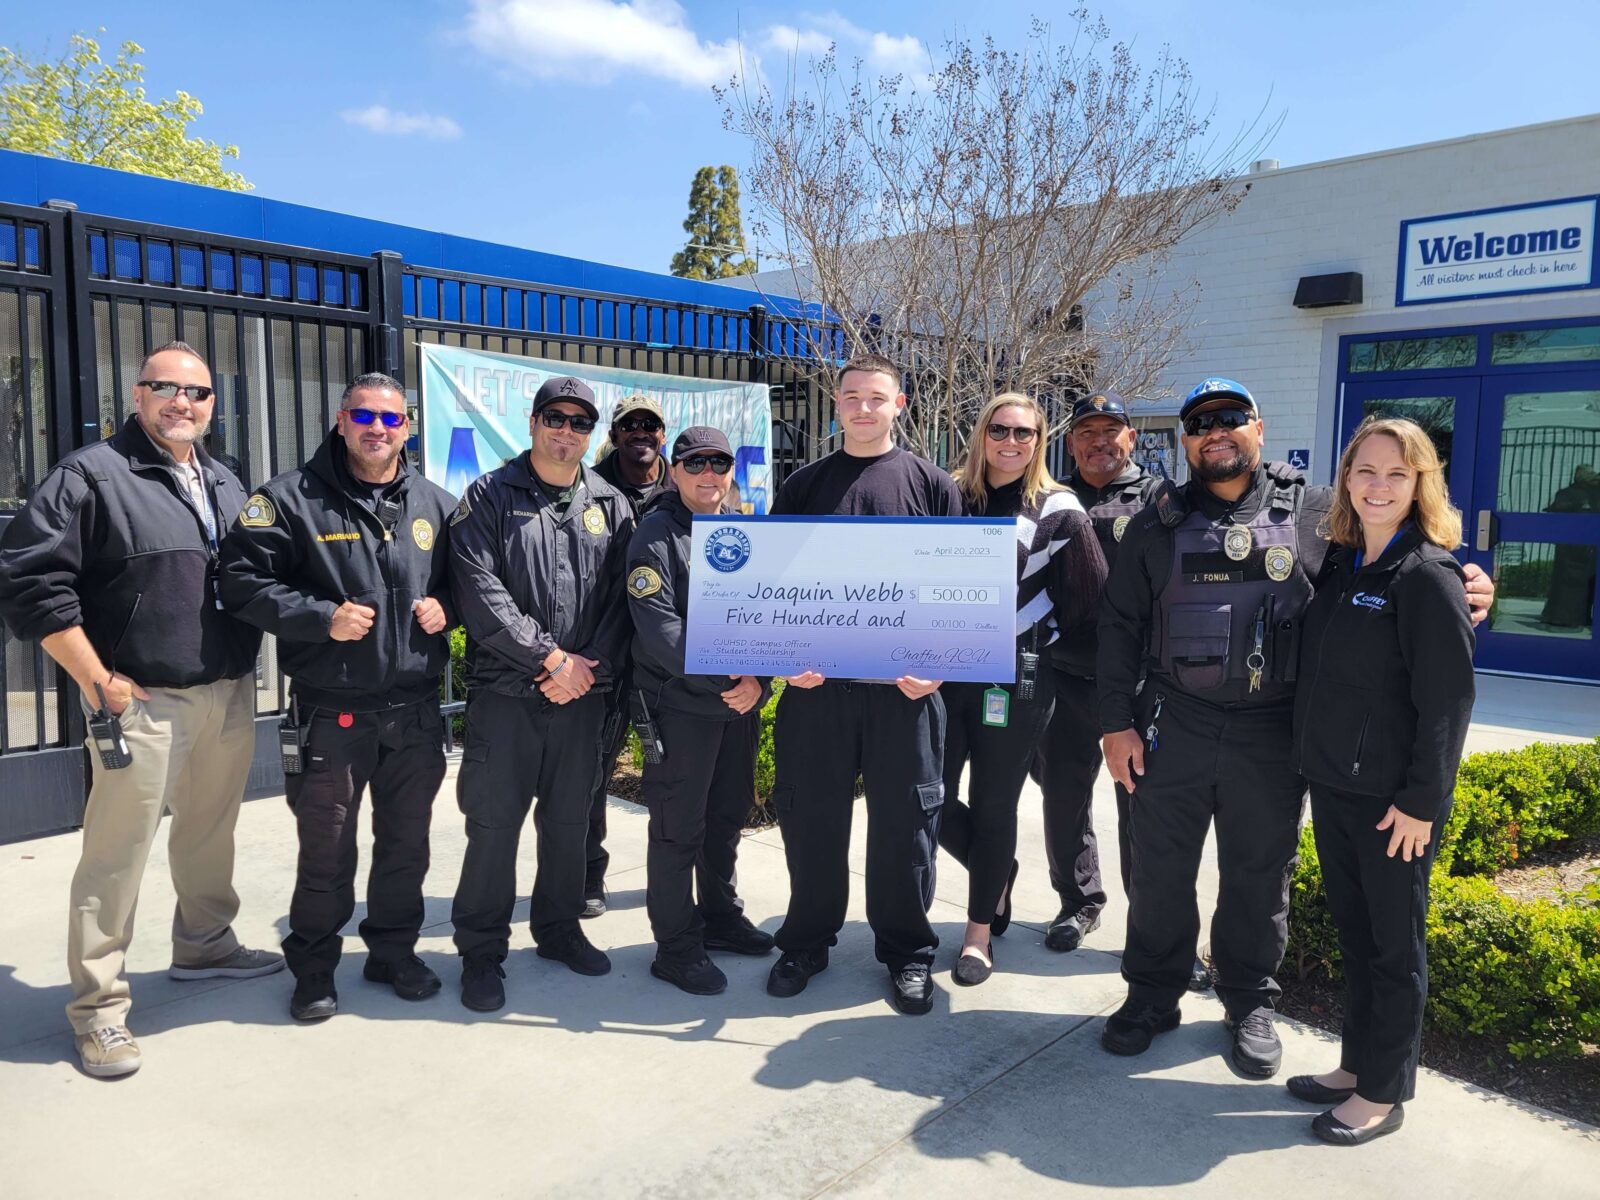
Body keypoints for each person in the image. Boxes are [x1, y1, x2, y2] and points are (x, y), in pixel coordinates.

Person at [1096, 377, 1493, 1078]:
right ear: (1185, 441)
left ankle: (1249, 1001)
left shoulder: (1315, 514)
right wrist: (1113, 724)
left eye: (1231, 417)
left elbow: (1397, 567)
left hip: (1272, 733)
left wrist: (1470, 586)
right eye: (1200, 423)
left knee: (1259, 874)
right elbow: (1119, 626)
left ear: (1258, 427)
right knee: (1158, 870)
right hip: (1174, 723)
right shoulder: (1156, 522)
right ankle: (1152, 993)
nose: (1216, 432)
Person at [0, 341, 279, 1078]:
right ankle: (98, 1009)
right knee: (116, 856)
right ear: (137, 394)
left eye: (198, 392)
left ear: (213, 405)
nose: (182, 402)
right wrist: (96, 679)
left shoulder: (223, 479)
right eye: (166, 387)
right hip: (141, 702)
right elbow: (28, 580)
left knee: (210, 835)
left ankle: (205, 944)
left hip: (225, 692)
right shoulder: (91, 476)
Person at [218, 373, 458, 1021]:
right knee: (326, 851)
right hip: (333, 712)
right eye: (364, 416)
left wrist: (448, 608)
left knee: (407, 846)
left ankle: (393, 953)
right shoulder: (289, 500)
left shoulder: (436, 504)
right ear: (340, 419)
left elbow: (471, 582)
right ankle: (315, 967)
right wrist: (321, 617)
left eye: (391, 418)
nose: (378, 428)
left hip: (415, 713)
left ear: (407, 426)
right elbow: (239, 581)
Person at [1287, 418, 1475, 1145]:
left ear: (1421, 484)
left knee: (1394, 949)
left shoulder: (1426, 575)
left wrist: (1422, 801)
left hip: (1395, 804)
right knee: (1357, 938)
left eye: (1397, 474)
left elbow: (1447, 701)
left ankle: (1383, 1093)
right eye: (1366, 470)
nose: (1379, 486)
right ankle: (1356, 1066)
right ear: (1347, 478)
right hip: (1337, 786)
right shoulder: (1342, 563)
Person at [763, 352, 964, 1016]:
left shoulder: (933, 485)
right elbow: (774, 584)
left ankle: (907, 953)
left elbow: (959, 587)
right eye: (851, 397)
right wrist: (784, 656)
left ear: (898, 405)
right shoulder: (803, 486)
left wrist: (940, 664)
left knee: (906, 828)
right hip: (818, 692)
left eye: (876, 398)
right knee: (811, 822)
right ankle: (806, 942)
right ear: (837, 404)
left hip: (904, 694)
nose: (863, 408)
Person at [447, 375, 635, 1012]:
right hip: (507, 696)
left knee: (569, 822)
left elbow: (623, 602)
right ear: (533, 423)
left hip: (581, 698)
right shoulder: (489, 496)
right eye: (555, 418)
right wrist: (551, 659)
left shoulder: (611, 503)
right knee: (493, 826)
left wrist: (585, 669)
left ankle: (558, 930)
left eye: (580, 422)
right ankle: (481, 951)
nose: (566, 432)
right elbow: (480, 593)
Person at [937, 393, 1105, 985]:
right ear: (981, 434)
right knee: (925, 795)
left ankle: (978, 934)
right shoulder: (948, 495)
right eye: (1000, 430)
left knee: (993, 804)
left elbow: (1089, 600)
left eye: (1024, 433)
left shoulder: (1059, 509)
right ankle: (995, 870)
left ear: (1040, 441)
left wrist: (1036, 636)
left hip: (1016, 679)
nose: (1011, 442)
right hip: (941, 673)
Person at [1037, 391, 1197, 967]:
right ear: (1070, 442)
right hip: (1066, 675)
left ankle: (1154, 928)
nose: (1099, 442)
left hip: (1138, 684)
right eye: (1086, 432)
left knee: (1144, 811)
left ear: (1131, 438)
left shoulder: (1163, 500)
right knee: (1063, 798)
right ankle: (1078, 902)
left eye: (1111, 431)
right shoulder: (1051, 499)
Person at [625, 425, 776, 995]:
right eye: (695, 463)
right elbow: (661, 631)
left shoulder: (741, 531)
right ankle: (675, 946)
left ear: (731, 471)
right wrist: (730, 680)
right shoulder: (655, 536)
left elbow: (769, 614)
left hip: (736, 706)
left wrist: (760, 681)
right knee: (677, 831)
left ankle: (719, 918)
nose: (708, 474)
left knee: (725, 821)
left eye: (719, 463)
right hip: (681, 708)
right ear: (674, 472)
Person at [585, 393, 674, 917]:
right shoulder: (589, 489)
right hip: (609, 658)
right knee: (592, 775)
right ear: (615, 434)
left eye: (650, 424)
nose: (641, 431)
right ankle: (588, 877)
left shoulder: (686, 485)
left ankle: (676, 881)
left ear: (663, 434)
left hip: (667, 661)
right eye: (630, 424)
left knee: (675, 778)